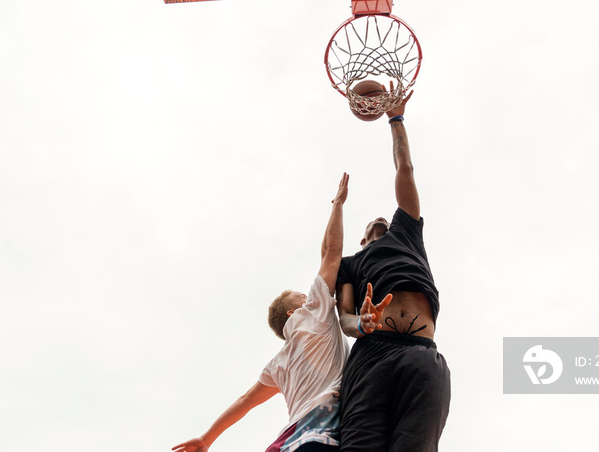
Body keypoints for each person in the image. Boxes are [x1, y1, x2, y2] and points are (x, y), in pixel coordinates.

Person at [173, 173, 351, 452]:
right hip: (317, 432)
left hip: (286, 441)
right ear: (293, 312)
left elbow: (245, 401)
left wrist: (207, 439)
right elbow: (331, 251)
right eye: (302, 297)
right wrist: (338, 204)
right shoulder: (313, 314)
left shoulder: (278, 364)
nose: (310, 297)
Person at [335, 91, 451, 451]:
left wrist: (395, 119)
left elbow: (405, 169)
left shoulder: (407, 232)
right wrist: (362, 323)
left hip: (421, 353)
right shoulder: (351, 264)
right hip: (372, 354)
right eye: (374, 220)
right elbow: (344, 318)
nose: (382, 217)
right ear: (363, 237)